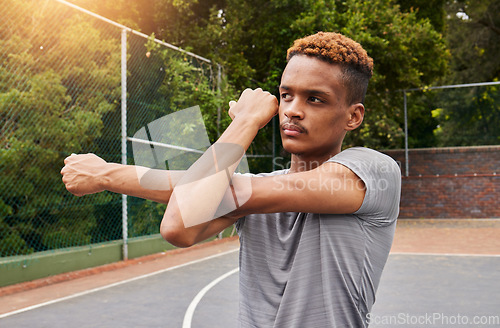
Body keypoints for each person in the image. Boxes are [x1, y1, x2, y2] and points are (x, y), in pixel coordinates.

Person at [61, 31, 401, 327]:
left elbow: (190, 206)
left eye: (315, 99)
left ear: (353, 116)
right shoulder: (256, 188)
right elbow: (179, 227)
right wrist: (104, 174)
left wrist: (246, 121)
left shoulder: (372, 171)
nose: (292, 110)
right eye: (286, 95)